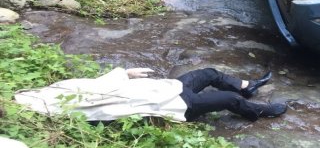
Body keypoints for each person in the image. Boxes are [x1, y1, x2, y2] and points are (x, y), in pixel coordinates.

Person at [14, 67, 287, 122]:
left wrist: (125, 73)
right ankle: (258, 112)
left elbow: (92, 82)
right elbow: (102, 107)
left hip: (166, 88)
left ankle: (246, 86)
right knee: (229, 101)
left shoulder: (53, 91)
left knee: (209, 73)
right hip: (171, 103)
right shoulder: (54, 108)